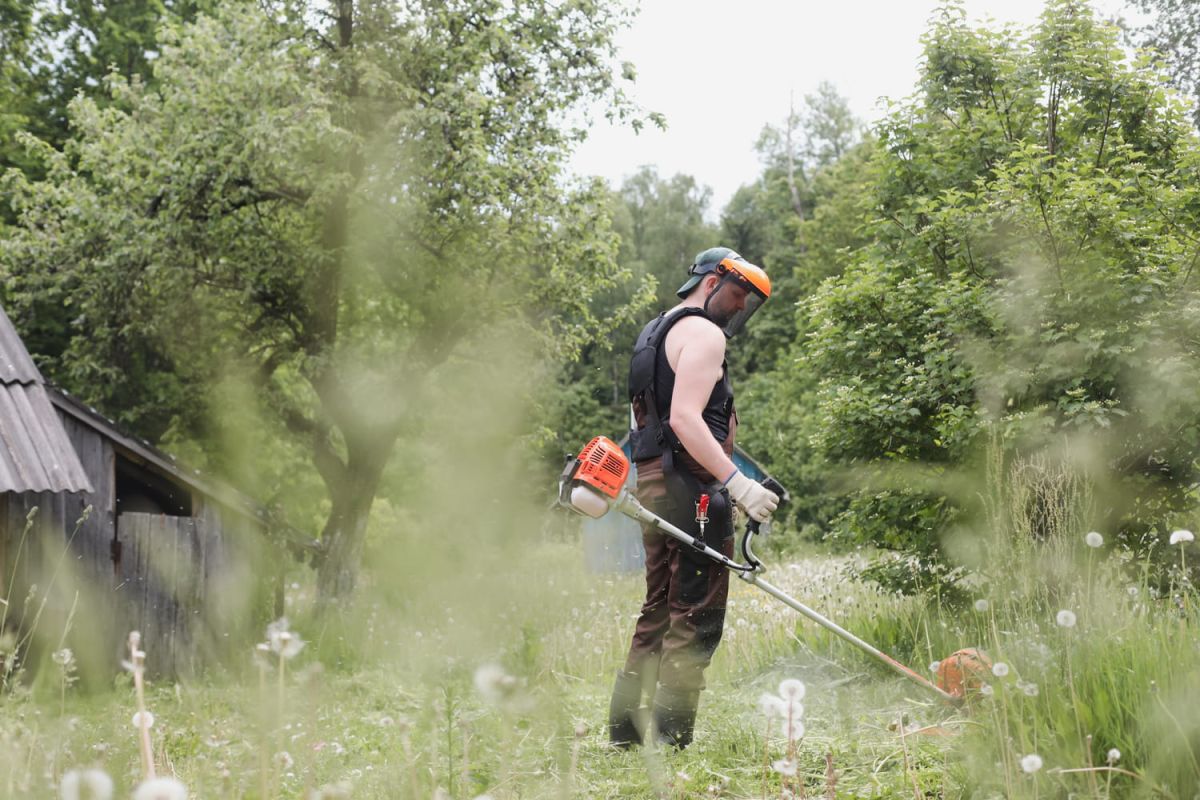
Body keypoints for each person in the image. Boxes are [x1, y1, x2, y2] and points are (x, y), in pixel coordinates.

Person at [609, 246, 780, 749]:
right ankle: (669, 737)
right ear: (712, 281)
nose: (741, 307)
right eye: (737, 294)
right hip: (692, 487)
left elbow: (645, 422)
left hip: (653, 485)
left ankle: (625, 734)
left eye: (749, 300)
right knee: (697, 611)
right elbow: (684, 418)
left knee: (659, 606)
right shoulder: (704, 333)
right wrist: (740, 484)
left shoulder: (652, 334)